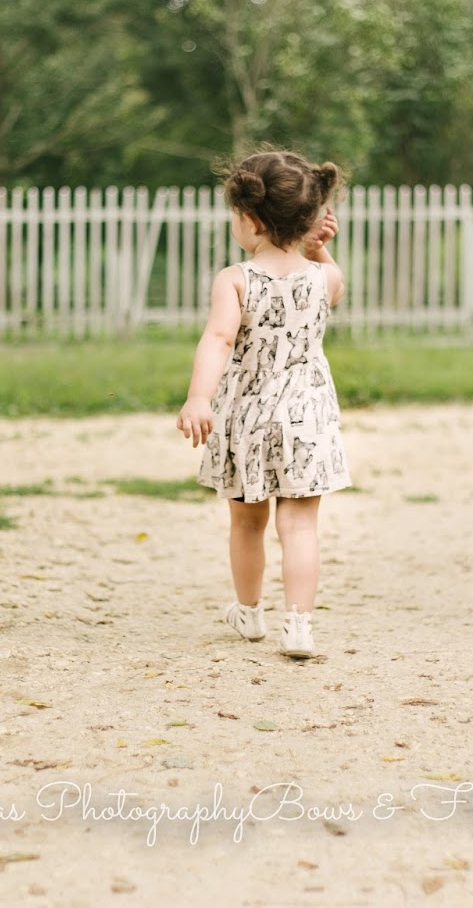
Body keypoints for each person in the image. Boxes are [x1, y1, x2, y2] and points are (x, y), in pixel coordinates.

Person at [176, 149, 352, 660]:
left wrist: (198, 397)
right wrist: (318, 250)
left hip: (249, 416)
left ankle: (250, 613)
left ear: (251, 220)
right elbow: (336, 288)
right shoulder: (323, 277)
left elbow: (219, 339)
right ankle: (298, 626)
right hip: (307, 418)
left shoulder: (236, 279)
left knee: (247, 522)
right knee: (299, 526)